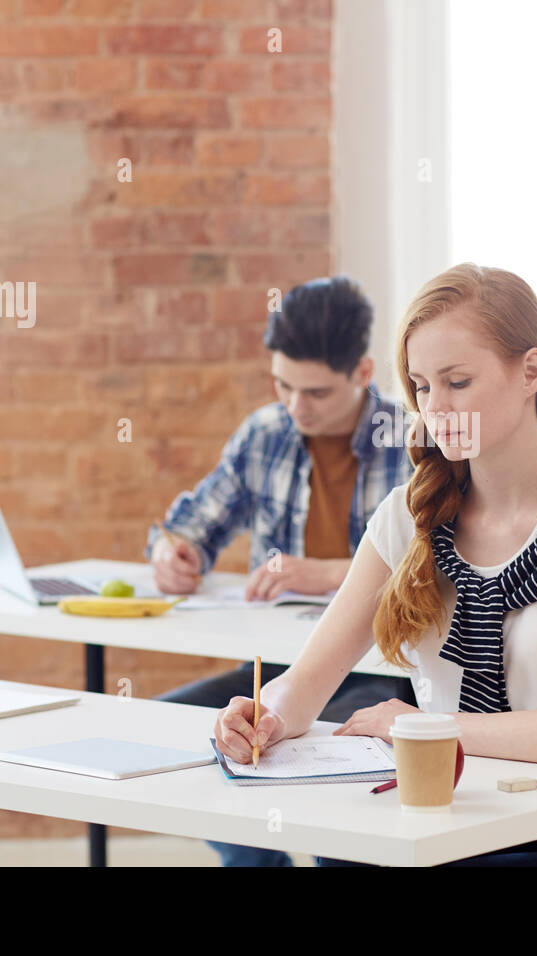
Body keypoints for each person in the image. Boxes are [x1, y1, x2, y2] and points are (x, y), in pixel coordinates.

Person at [213, 263, 537, 866]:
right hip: (457, 817)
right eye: (422, 386)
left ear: (530, 372)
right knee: (346, 854)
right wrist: (264, 718)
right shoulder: (408, 515)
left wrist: (420, 725)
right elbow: (303, 687)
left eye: (458, 381)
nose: (436, 407)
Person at [148, 275, 416, 866]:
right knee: (167, 722)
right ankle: (256, 859)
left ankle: (330, 855)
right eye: (283, 385)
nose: (296, 406)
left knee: (337, 754)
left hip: (375, 673)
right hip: (272, 663)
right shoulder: (265, 435)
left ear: (363, 374)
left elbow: (431, 569)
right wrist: (174, 554)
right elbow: (190, 525)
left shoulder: (412, 441)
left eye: (316, 392)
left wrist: (331, 573)